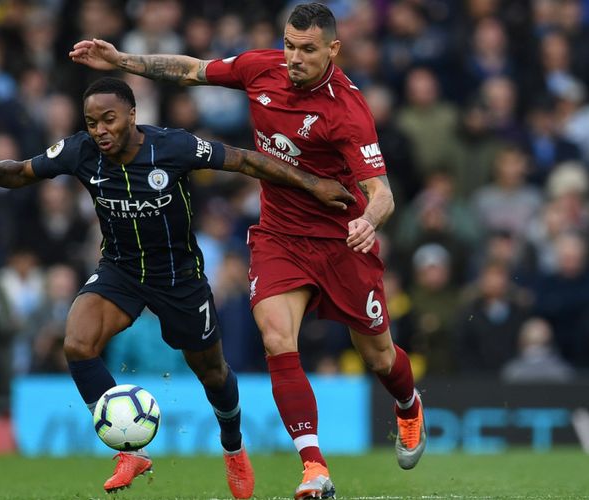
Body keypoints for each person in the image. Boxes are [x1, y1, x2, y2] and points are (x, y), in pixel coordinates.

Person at [69, 3, 427, 498]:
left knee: (380, 357)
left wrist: (368, 221)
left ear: (333, 50)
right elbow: (192, 70)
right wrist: (122, 60)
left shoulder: (347, 111)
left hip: (342, 241)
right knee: (277, 338)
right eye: (290, 45)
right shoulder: (262, 68)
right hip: (279, 236)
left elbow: (380, 190)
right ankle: (314, 467)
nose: (295, 57)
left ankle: (408, 406)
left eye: (307, 49)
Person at [0, 77, 354, 499]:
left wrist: (312, 184)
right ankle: (129, 452)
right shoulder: (80, 151)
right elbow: (24, 171)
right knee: (77, 343)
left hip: (179, 277)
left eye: (109, 119)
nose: (100, 130)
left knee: (212, 372)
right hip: (120, 270)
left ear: (131, 115)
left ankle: (233, 446)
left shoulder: (173, 147)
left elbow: (246, 161)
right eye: (91, 122)